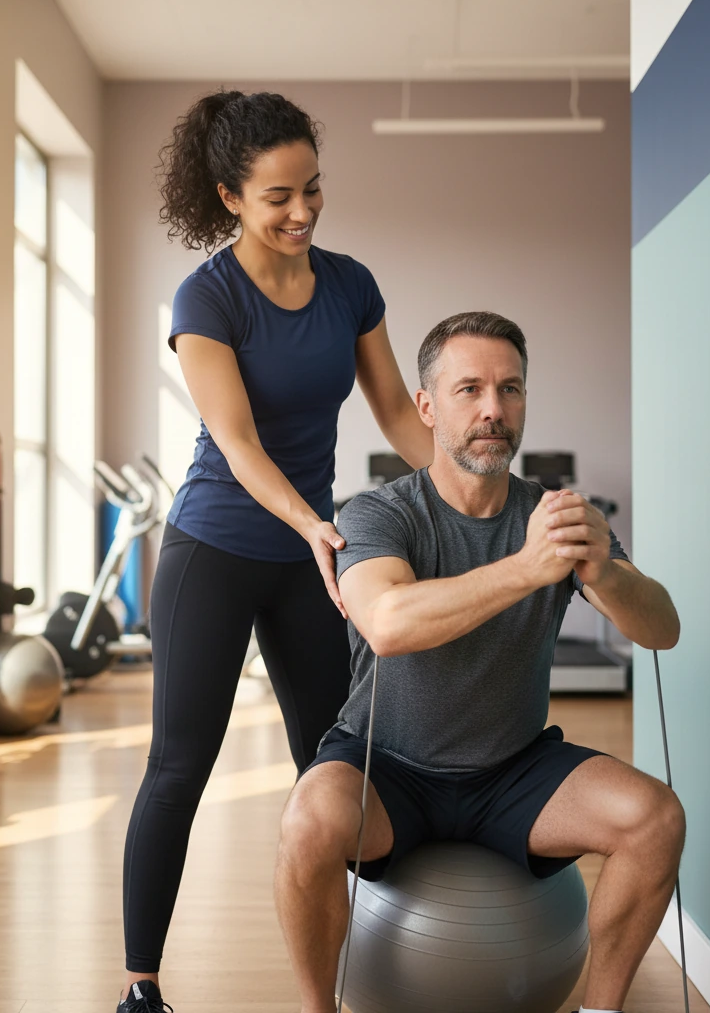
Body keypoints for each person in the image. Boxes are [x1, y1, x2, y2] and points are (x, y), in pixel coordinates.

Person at [117, 91, 434, 1012]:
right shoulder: (205, 297)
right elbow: (239, 441)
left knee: (331, 766)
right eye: (277, 197)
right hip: (214, 548)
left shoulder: (349, 284)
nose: (301, 212)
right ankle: (141, 986)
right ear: (229, 197)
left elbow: (393, 415)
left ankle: (358, 965)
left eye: (313, 189)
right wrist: (312, 526)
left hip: (311, 553)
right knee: (180, 765)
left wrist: (471, 493)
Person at [275, 311, 683, 1013]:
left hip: (512, 769)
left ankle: (602, 1009)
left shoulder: (555, 516)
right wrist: (529, 569)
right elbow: (390, 622)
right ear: (427, 407)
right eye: (470, 390)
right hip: (388, 765)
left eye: (511, 389)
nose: (494, 409)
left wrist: (606, 576)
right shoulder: (379, 514)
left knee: (655, 818)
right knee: (307, 821)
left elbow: (662, 630)